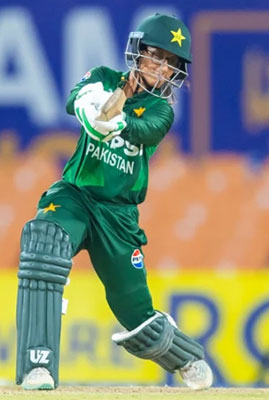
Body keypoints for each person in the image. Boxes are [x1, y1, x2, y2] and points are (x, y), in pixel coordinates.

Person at [15, 13, 213, 390]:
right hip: (75, 194)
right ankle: (36, 365)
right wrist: (98, 110)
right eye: (155, 56)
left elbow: (139, 130)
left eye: (170, 63)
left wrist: (115, 120)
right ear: (138, 54)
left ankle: (186, 357)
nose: (161, 67)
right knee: (43, 241)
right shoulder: (103, 77)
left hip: (118, 216)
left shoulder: (162, 110)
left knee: (137, 317)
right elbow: (78, 103)